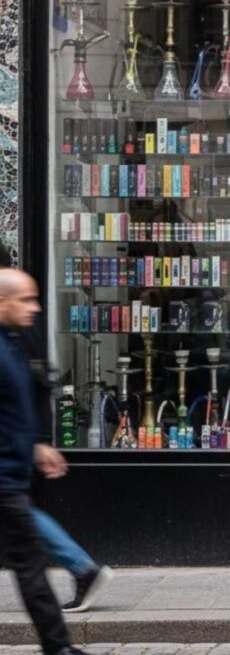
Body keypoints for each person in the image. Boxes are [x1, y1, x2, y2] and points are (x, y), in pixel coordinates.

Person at [0, 246, 113, 613]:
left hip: (15, 440)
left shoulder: (18, 319)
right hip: (19, 438)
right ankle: (80, 570)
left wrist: (38, 440)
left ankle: (82, 569)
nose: (33, 307)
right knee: (18, 512)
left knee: (19, 511)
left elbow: (33, 382)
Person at [0, 268, 89, 655]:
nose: (36, 308)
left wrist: (38, 444)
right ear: (2, 303)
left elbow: (19, 406)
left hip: (12, 476)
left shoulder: (15, 342)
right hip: (5, 479)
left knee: (30, 566)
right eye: (26, 300)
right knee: (31, 567)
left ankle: (58, 646)